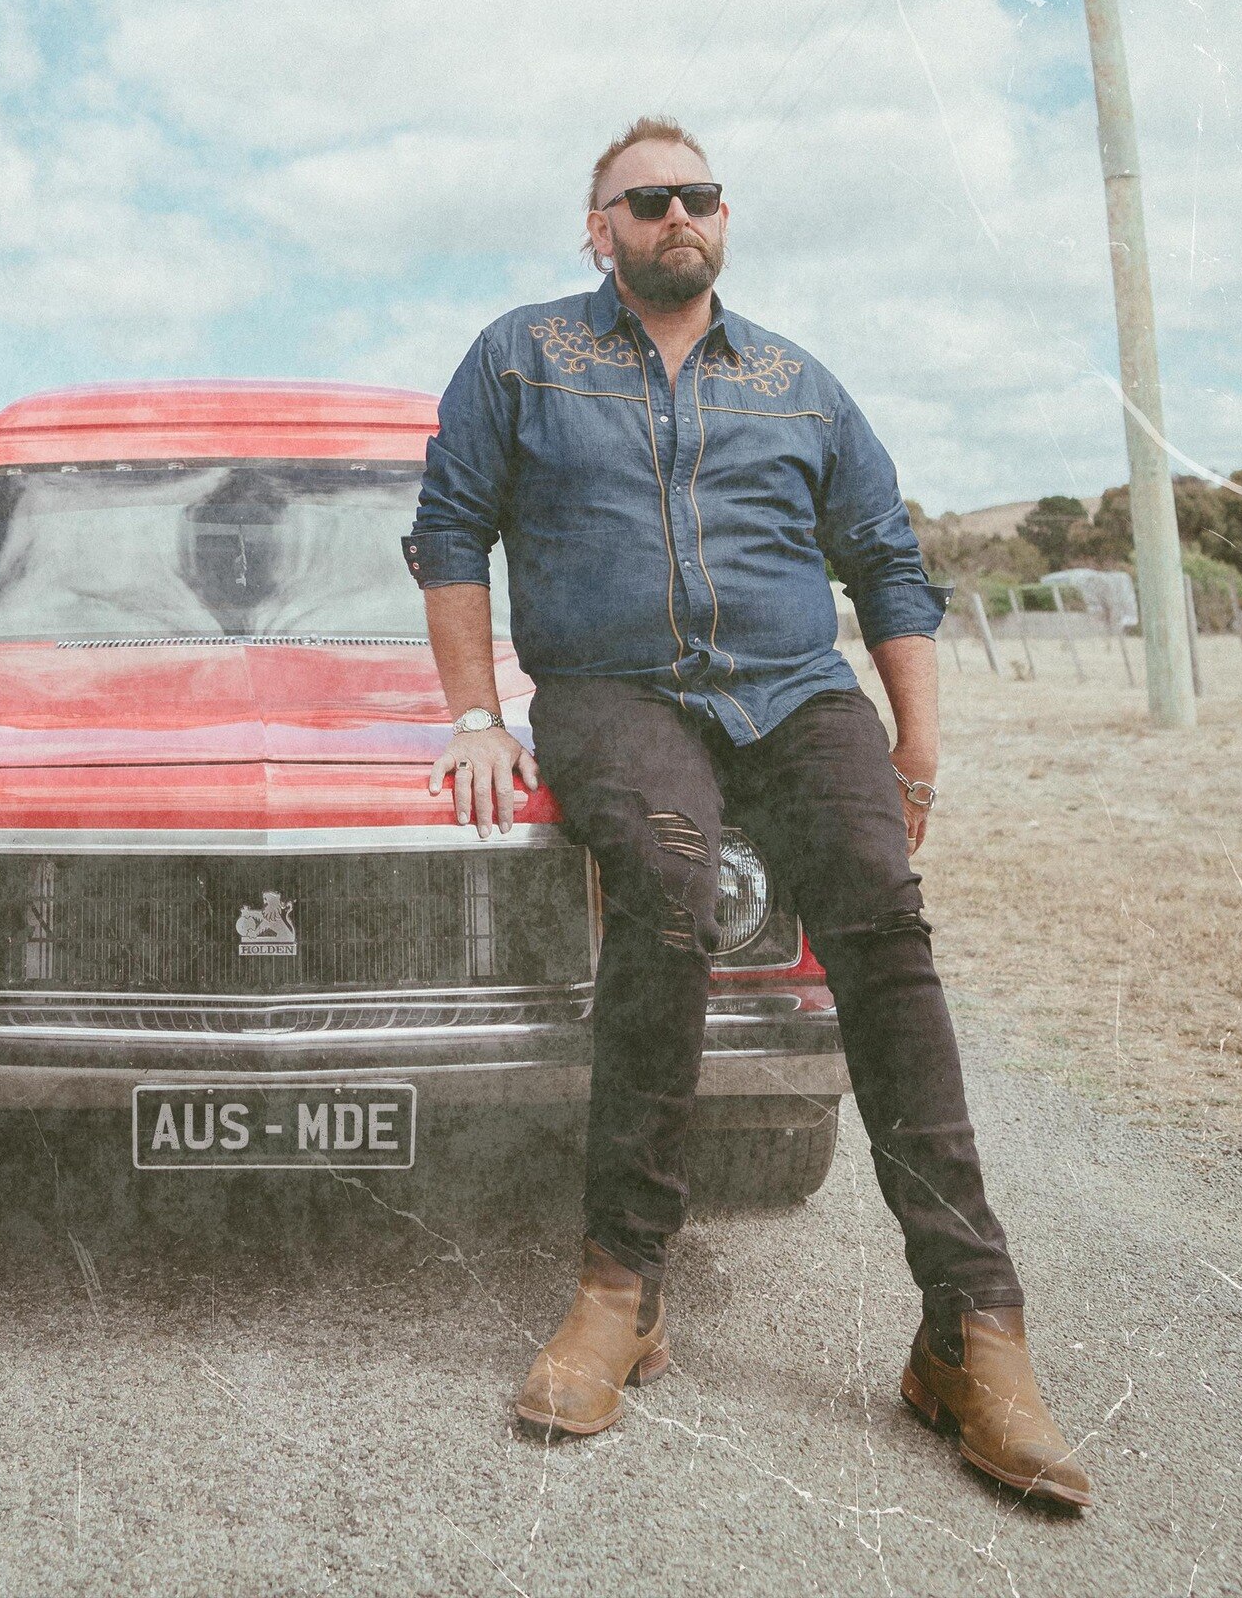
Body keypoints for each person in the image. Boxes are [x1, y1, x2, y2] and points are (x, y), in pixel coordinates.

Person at [402, 115, 1090, 1511]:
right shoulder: (523, 354)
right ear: (598, 230)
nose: (674, 216)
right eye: (643, 201)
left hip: (792, 693)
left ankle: (973, 1333)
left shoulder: (798, 382)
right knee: (665, 891)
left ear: (724, 217)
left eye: (696, 196)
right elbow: (450, 527)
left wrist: (918, 753)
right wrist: (478, 713)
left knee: (883, 928)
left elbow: (889, 563)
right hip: (611, 692)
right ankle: (622, 1289)